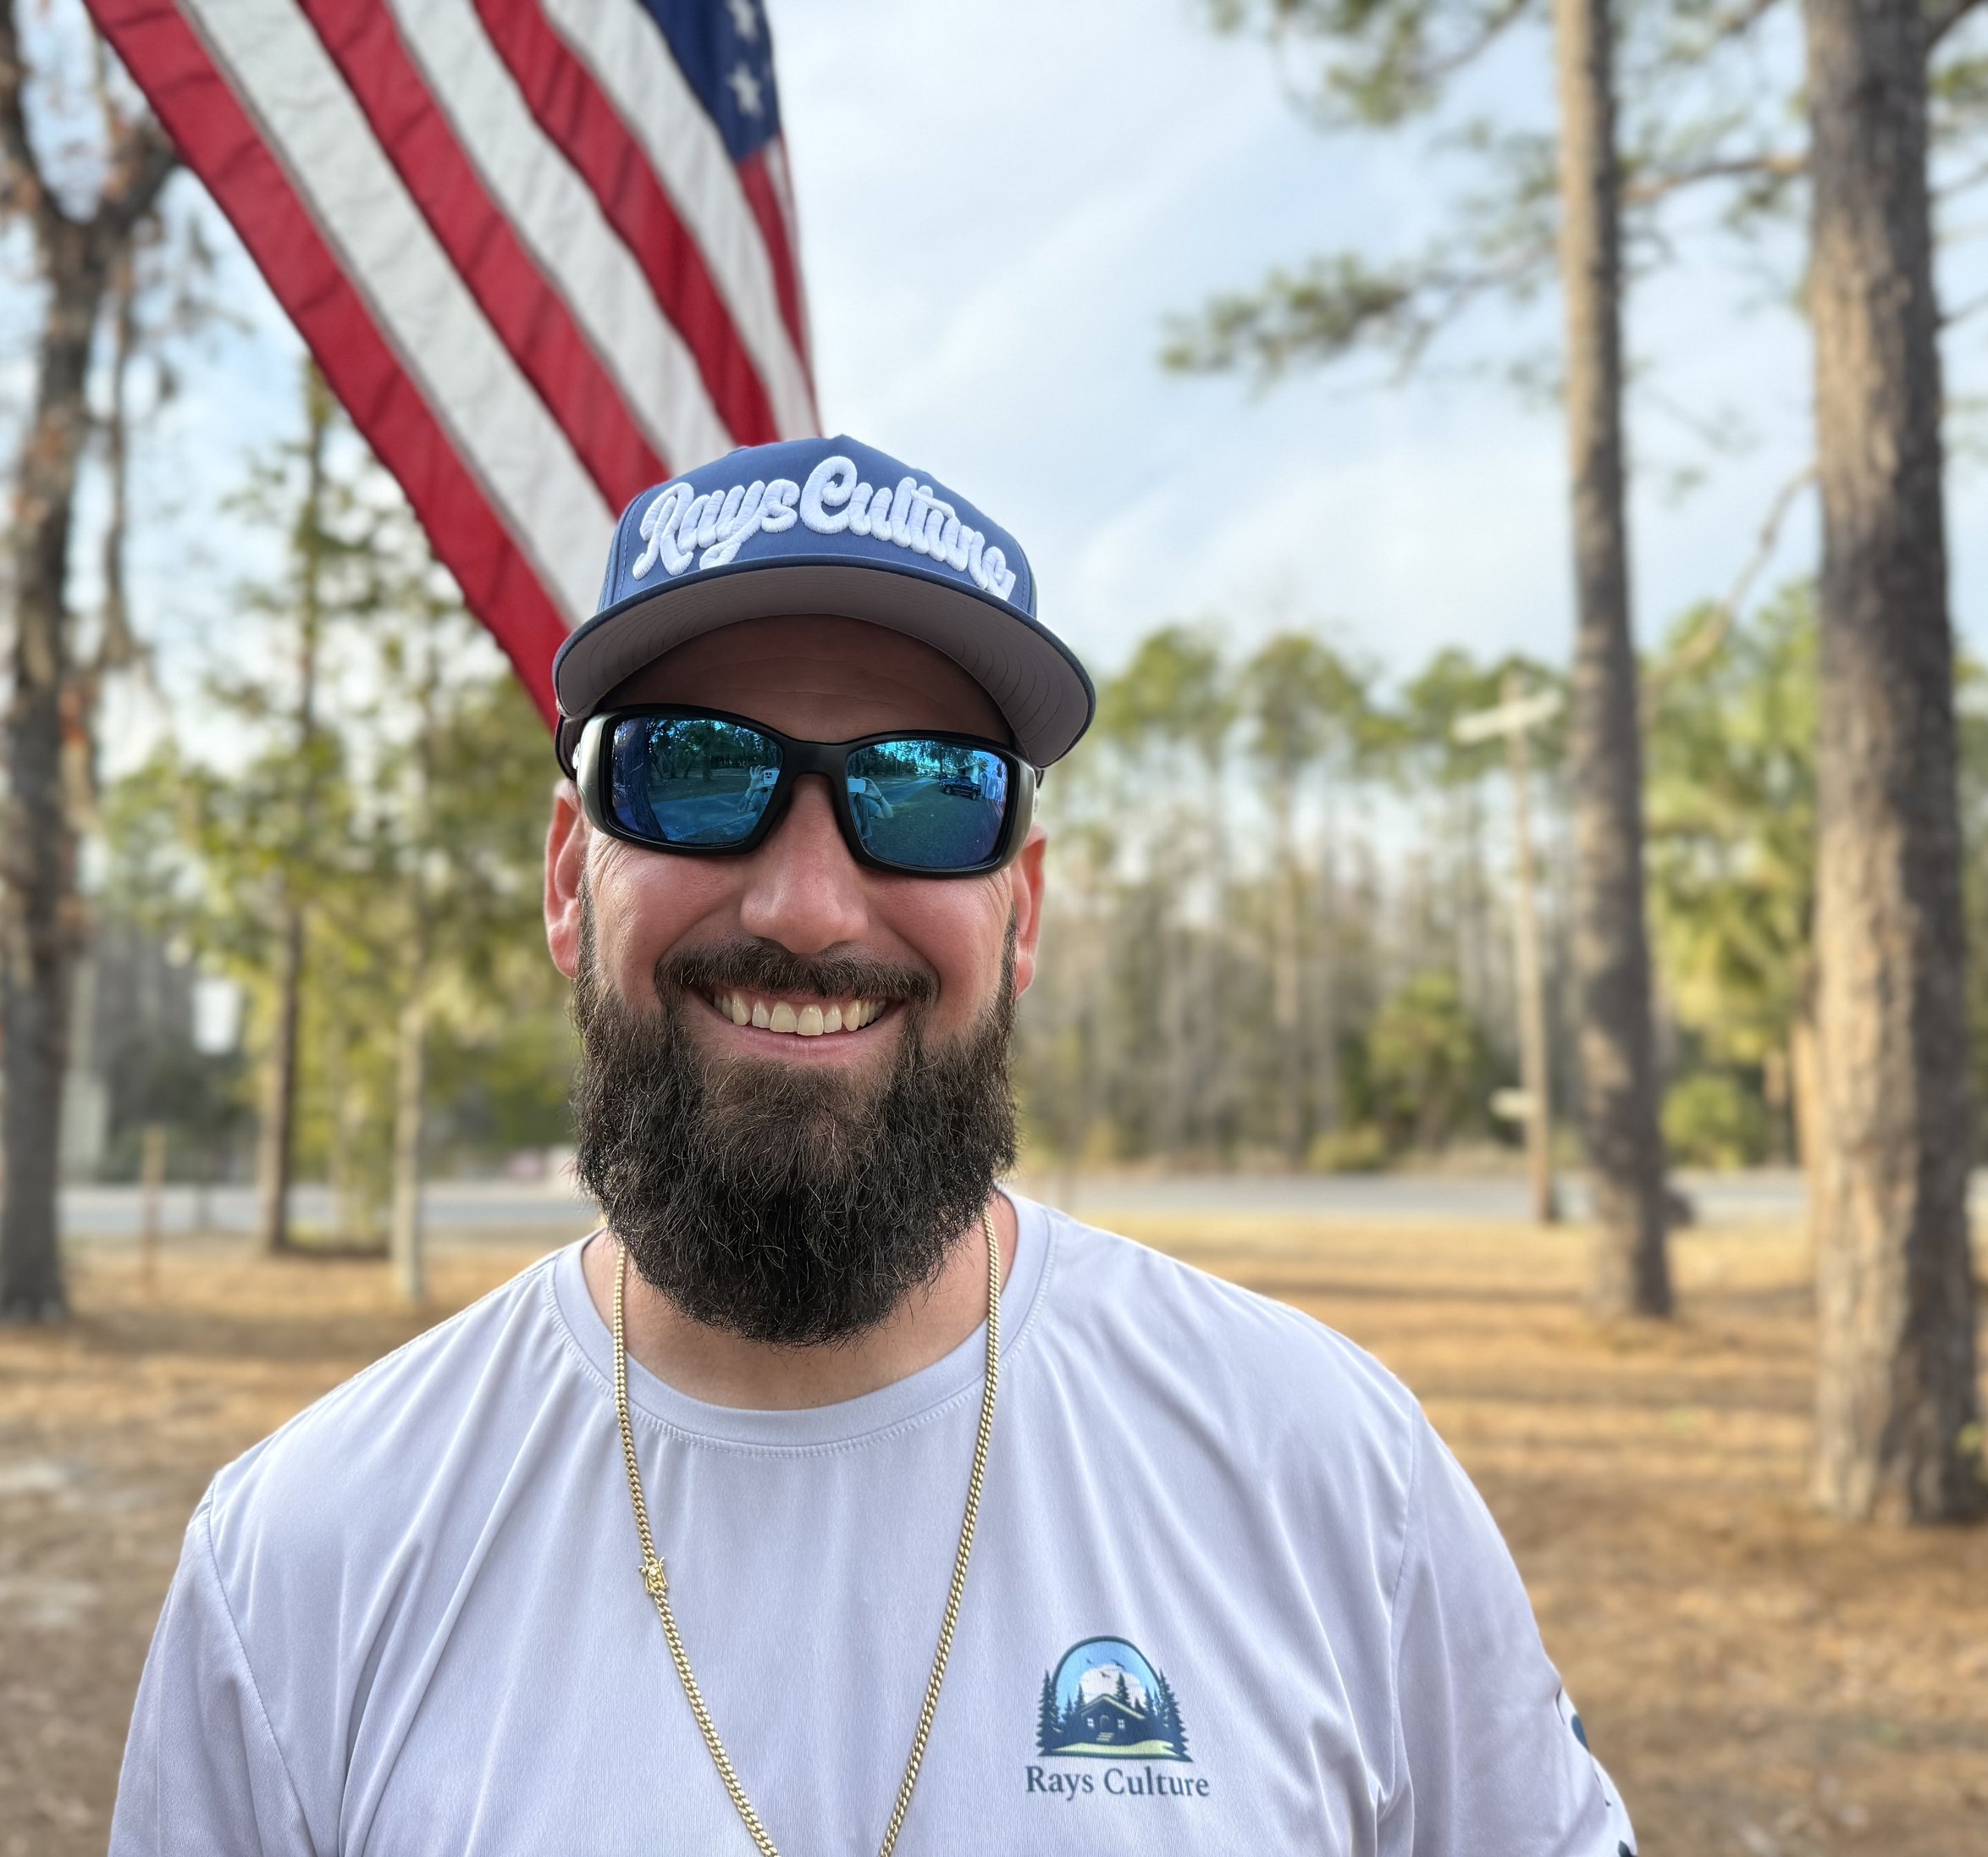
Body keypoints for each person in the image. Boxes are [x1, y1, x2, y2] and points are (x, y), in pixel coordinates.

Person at [108, 435, 1637, 1855]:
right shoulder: (299, 1560)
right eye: (695, 769)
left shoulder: (1332, 1477)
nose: (808, 907)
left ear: (1020, 910)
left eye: (924, 794)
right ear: (573, 875)